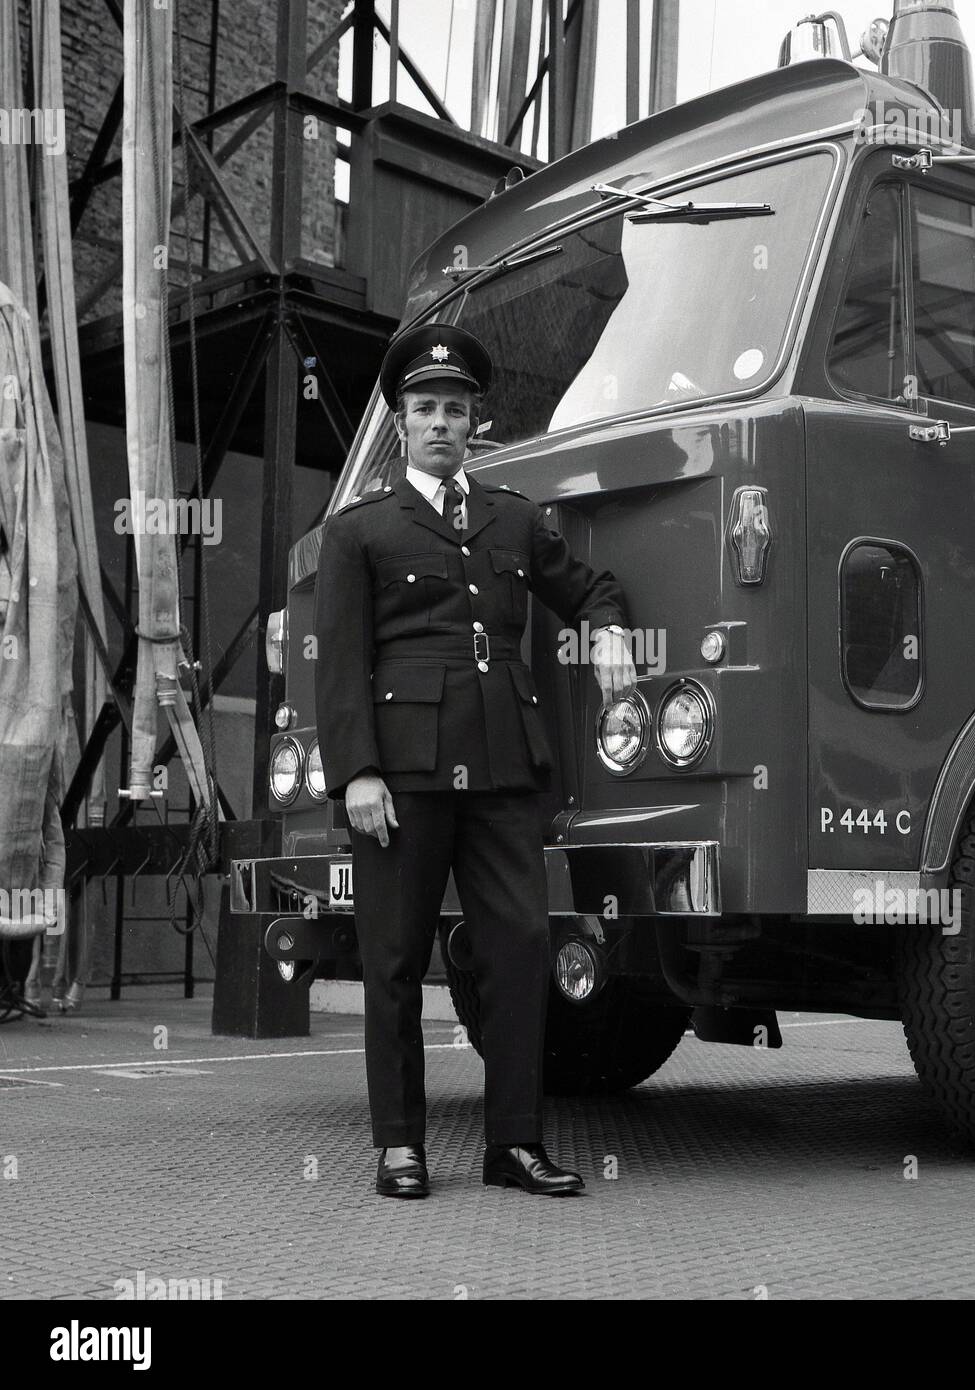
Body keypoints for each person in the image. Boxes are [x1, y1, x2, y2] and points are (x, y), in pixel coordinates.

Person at [314, 323, 636, 1199]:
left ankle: (514, 1145)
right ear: (400, 423)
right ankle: (400, 1146)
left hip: (502, 772)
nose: (441, 423)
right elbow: (339, 665)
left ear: (472, 423)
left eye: (455, 410)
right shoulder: (361, 532)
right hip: (405, 776)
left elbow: (590, 587)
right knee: (393, 957)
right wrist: (358, 774)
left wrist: (607, 630)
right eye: (424, 409)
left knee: (522, 950)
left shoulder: (514, 519)